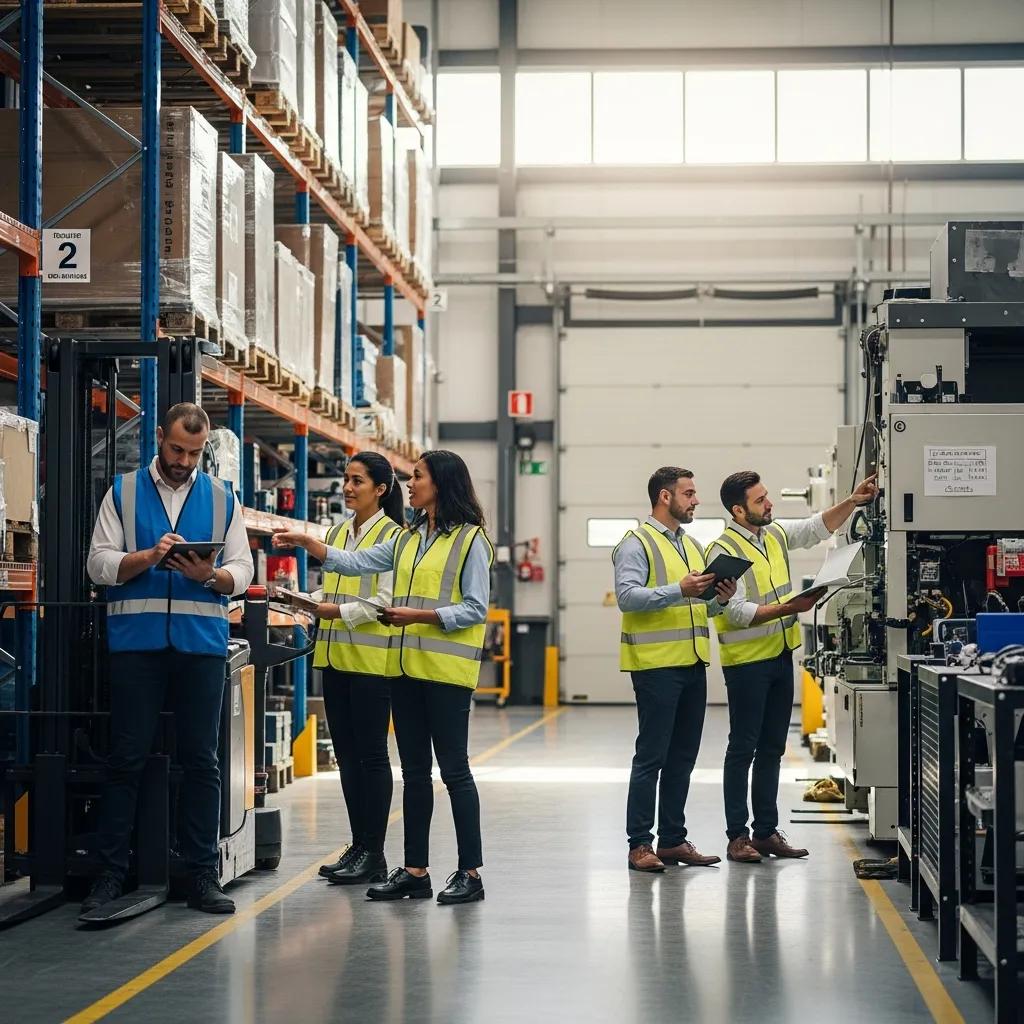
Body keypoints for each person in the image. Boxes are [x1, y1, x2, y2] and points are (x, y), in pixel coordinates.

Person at [274, 450, 493, 905]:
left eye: (417, 477)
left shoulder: (472, 540)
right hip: (405, 668)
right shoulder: (410, 537)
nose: (409, 485)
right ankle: (416, 870)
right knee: (414, 773)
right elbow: (356, 563)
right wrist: (308, 542)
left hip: (448, 672)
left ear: (443, 484)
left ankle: (470, 871)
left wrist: (420, 615)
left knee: (454, 772)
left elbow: (476, 607)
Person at [83, 403, 254, 915]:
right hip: (137, 644)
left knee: (203, 761)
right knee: (125, 760)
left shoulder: (224, 498)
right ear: (159, 437)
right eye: (177, 449)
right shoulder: (124, 490)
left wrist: (211, 577)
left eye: (195, 452)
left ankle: (202, 874)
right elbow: (98, 564)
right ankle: (111, 874)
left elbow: (243, 568)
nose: (184, 460)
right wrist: (149, 558)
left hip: (200, 644)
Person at [708, 469, 878, 863]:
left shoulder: (774, 535)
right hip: (747, 664)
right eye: (760, 500)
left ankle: (766, 833)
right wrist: (790, 608)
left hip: (781, 657)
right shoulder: (722, 552)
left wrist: (852, 501)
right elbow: (733, 612)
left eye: (767, 497)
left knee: (771, 749)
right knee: (743, 749)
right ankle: (738, 837)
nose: (769, 504)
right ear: (738, 510)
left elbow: (815, 528)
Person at [613, 467, 737, 873]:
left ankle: (672, 840)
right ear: (665, 497)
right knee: (651, 756)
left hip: (692, 663)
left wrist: (720, 598)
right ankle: (639, 844)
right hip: (655, 667)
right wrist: (678, 589)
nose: (696, 500)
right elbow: (628, 598)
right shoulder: (636, 543)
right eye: (689, 493)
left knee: (683, 756)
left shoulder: (692, 546)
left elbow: (699, 606)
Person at [309, 453, 404, 886]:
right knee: (346, 758)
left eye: (357, 481)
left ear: (380, 489)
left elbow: (384, 601)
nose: (347, 487)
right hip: (334, 659)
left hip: (371, 663)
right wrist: (306, 600)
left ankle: (376, 852)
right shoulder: (336, 532)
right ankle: (360, 845)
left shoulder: (394, 536)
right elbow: (336, 586)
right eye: (345, 479)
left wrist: (334, 610)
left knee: (371, 757)